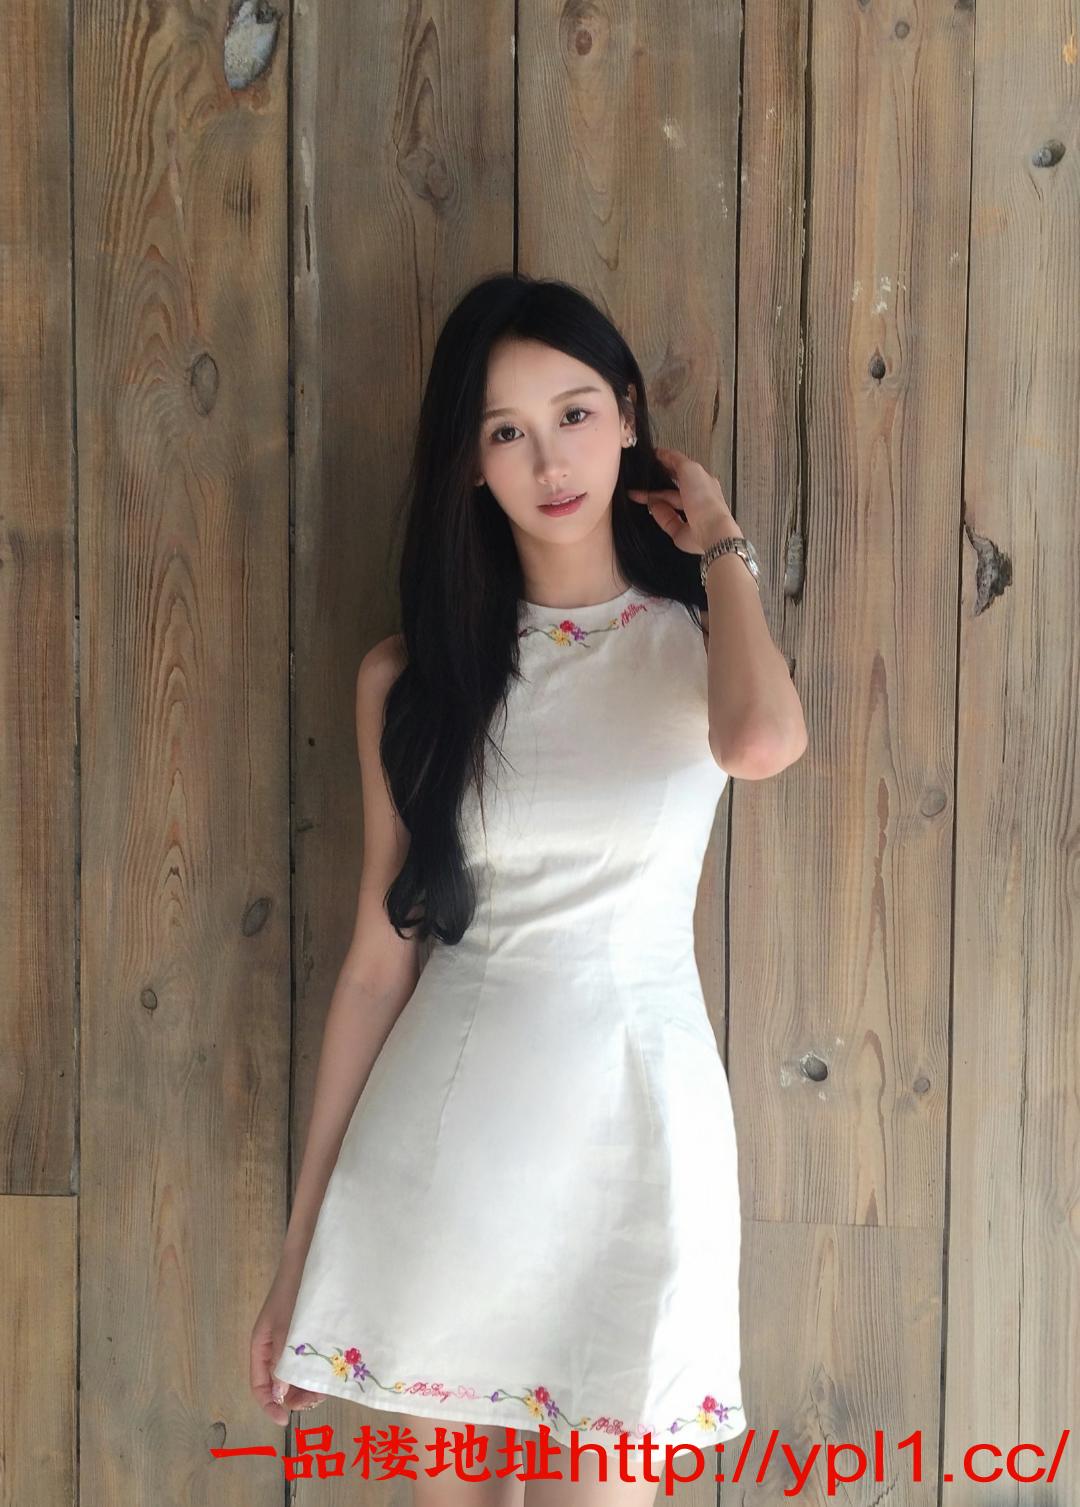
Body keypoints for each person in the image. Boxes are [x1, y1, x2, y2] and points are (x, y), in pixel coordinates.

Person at [249, 273, 807, 1505]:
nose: (549, 459)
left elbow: (764, 741)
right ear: (470, 464)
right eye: (506, 430)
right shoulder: (412, 681)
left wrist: (719, 537)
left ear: (628, 419)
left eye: (575, 413)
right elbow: (376, 966)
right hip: (449, 1154)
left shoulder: (698, 644)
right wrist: (301, 1255)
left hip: (640, 1144)